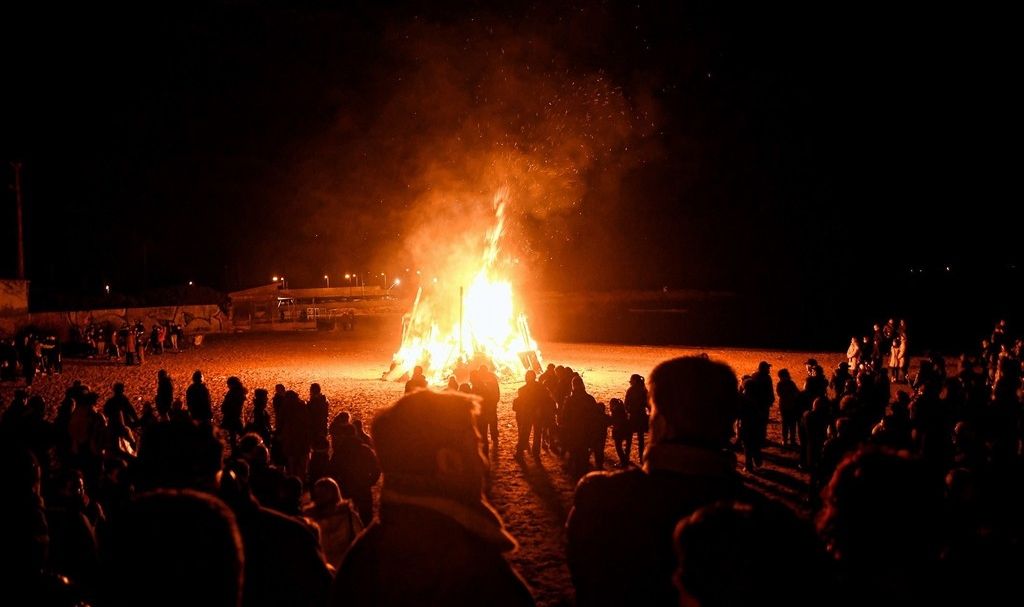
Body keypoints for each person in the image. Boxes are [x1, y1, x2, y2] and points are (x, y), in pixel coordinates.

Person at [567, 356, 753, 607]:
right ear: (729, 424)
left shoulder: (602, 499)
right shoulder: (767, 522)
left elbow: (585, 582)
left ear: (661, 421)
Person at [331, 390, 535, 606]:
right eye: (475, 447)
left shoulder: (360, 560)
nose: (483, 462)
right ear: (449, 463)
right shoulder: (478, 573)